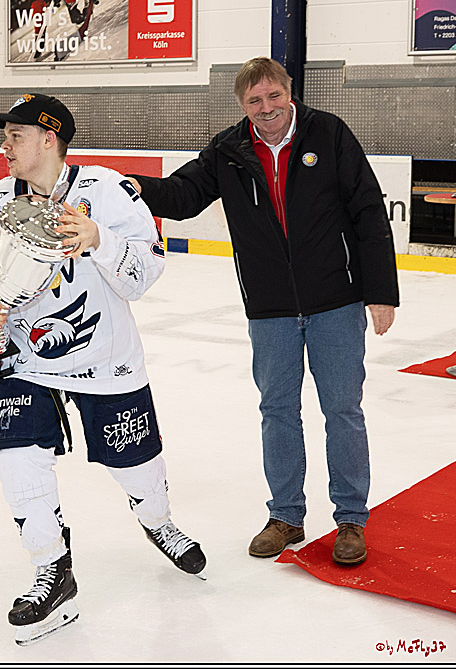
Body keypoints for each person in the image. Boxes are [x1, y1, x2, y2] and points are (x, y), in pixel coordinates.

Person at [0, 93, 206, 646]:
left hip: (105, 361)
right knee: (18, 460)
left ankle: (158, 521)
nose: (4, 146)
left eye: (14, 135)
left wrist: (99, 241)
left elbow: (145, 272)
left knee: (137, 465)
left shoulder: (107, 191)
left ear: (49, 139)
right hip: (21, 359)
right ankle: (51, 568)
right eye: (4, 136)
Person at [125, 57, 399, 567]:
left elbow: (367, 211)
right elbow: (184, 196)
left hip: (336, 301)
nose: (267, 107)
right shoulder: (228, 151)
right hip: (270, 307)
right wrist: (139, 186)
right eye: (255, 100)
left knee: (343, 410)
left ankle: (350, 520)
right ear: (242, 104)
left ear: (288, 92)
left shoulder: (329, 134)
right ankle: (285, 515)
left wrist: (381, 291)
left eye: (274, 96)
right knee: (277, 412)